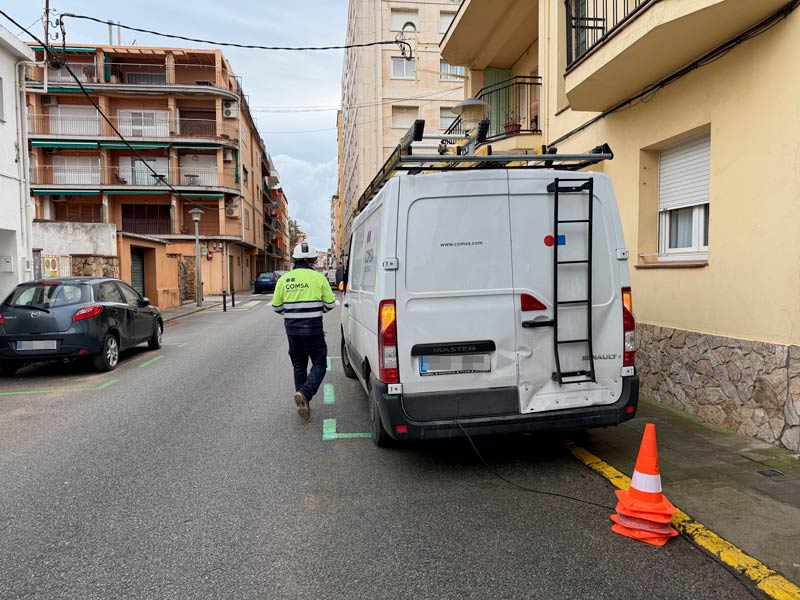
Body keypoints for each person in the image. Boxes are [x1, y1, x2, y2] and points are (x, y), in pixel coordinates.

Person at [272, 241, 336, 420]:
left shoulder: (284, 279)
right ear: (312, 261)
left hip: (292, 330)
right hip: (313, 329)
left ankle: (302, 401)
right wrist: (316, 311)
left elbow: (276, 307)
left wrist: (293, 313)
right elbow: (330, 304)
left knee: (299, 364)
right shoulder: (319, 278)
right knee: (320, 363)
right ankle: (305, 394)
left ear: (295, 260)